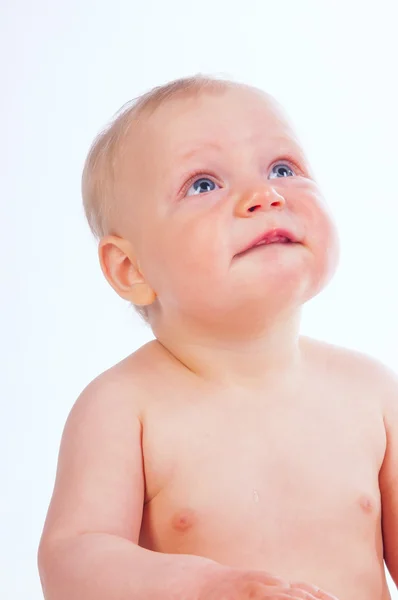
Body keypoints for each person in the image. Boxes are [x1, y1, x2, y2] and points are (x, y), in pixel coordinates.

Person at [37, 75, 398, 600]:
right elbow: (73, 562)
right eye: (204, 184)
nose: (265, 195)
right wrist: (207, 587)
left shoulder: (372, 392)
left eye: (282, 168)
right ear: (130, 268)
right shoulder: (123, 408)